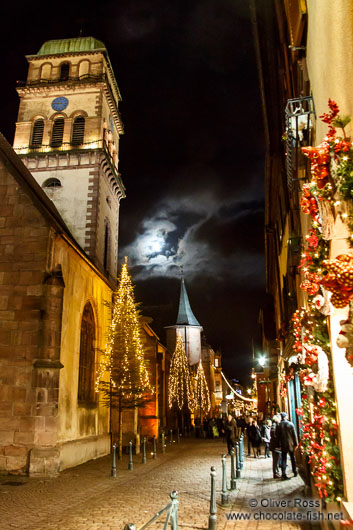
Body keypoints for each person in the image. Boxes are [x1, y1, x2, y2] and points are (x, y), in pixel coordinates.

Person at [277, 411, 298, 480]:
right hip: (290, 444)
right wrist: (296, 444)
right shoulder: (290, 424)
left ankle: (283, 474)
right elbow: (294, 435)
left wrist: (279, 444)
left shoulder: (279, 425)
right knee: (292, 457)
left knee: (284, 459)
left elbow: (278, 436)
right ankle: (294, 471)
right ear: (286, 417)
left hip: (283, 444)